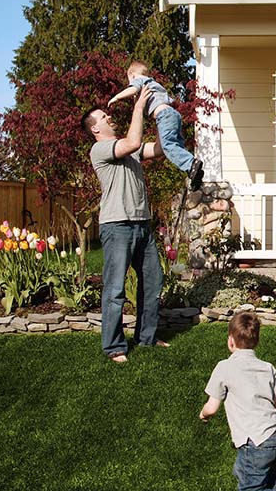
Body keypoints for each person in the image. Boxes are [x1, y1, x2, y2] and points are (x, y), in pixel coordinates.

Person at [81, 85, 169, 363]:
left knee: (153, 282)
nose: (108, 117)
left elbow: (158, 149)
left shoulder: (128, 148)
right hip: (117, 225)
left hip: (142, 224)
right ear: (95, 128)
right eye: (103, 117)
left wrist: (163, 116)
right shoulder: (100, 149)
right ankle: (114, 346)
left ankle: (146, 337)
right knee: (115, 288)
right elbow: (132, 142)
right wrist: (139, 106)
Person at [200, 312, 276, 491]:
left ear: (230, 341)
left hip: (255, 442)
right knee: (242, 470)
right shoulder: (268, 368)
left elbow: (212, 407)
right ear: (257, 341)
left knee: (250, 486)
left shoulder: (224, 367)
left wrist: (203, 414)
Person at [108, 60, 203, 191]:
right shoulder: (154, 83)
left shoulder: (139, 80)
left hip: (164, 115)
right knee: (176, 146)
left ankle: (191, 163)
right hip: (173, 115)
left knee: (168, 145)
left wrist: (117, 97)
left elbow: (133, 89)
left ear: (132, 75)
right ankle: (192, 172)